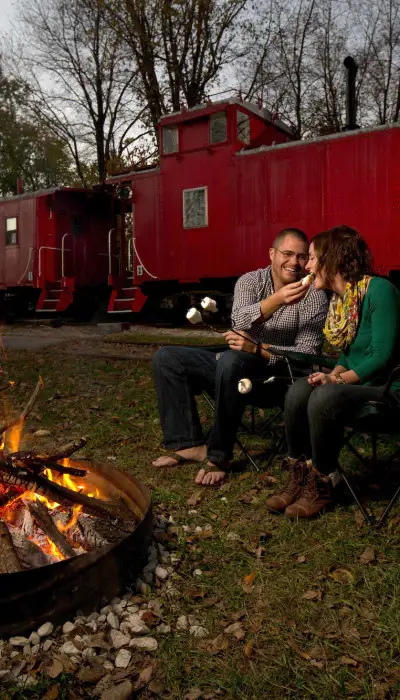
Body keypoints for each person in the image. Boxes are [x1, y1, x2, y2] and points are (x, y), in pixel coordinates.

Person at [152, 228, 329, 485]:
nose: (294, 262)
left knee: (231, 361)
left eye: (302, 257)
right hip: (237, 363)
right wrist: (277, 300)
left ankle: (219, 455)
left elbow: (305, 355)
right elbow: (239, 321)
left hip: (278, 374)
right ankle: (188, 444)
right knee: (167, 358)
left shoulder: (314, 295)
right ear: (272, 254)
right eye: (287, 254)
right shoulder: (251, 281)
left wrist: (259, 349)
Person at [266, 225, 400, 519]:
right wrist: (332, 373)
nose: (307, 265)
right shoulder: (344, 301)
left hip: (388, 390)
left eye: (312, 258)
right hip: (358, 386)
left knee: (325, 395)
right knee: (301, 388)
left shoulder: (379, 291)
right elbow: (349, 355)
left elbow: (380, 357)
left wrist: (335, 379)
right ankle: (299, 475)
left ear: (332, 259)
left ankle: (324, 480)